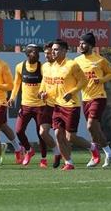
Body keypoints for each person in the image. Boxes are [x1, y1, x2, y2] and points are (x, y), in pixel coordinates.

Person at [38, 39, 96, 171]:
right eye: (52, 49)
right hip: (56, 105)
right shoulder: (48, 67)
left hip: (71, 105)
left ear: (64, 51)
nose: (53, 52)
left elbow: (83, 81)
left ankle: (93, 148)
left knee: (71, 137)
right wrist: (43, 93)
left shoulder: (71, 65)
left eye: (56, 49)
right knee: (58, 134)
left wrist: (72, 92)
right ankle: (68, 162)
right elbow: (48, 84)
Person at [74, 33, 111, 167]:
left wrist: (101, 80)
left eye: (84, 43)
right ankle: (108, 154)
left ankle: (97, 153)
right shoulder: (77, 61)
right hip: (85, 98)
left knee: (90, 125)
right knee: (95, 129)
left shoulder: (100, 60)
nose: (81, 45)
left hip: (98, 97)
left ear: (91, 45)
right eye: (80, 43)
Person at [9, 44, 46, 166]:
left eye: (38, 53)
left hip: (40, 106)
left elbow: (47, 83)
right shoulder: (20, 67)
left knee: (41, 133)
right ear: (28, 54)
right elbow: (16, 84)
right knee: (19, 131)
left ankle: (43, 159)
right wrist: (12, 98)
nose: (38, 55)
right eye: (35, 53)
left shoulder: (42, 67)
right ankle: (29, 150)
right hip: (25, 105)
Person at [38, 41, 62, 168]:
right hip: (49, 105)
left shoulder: (61, 66)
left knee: (63, 136)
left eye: (50, 53)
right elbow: (45, 81)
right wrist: (41, 92)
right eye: (45, 53)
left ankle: (69, 160)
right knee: (42, 132)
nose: (47, 55)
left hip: (62, 105)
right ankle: (57, 152)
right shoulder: (45, 66)